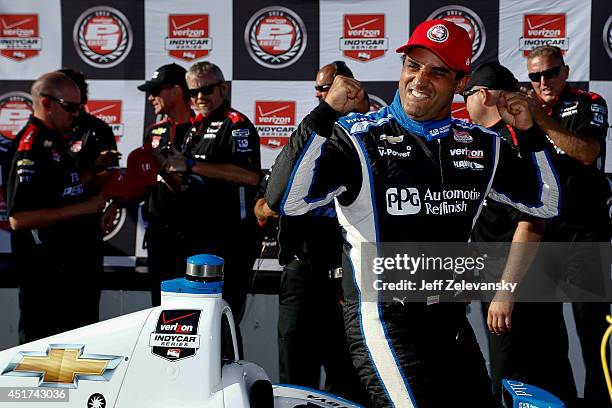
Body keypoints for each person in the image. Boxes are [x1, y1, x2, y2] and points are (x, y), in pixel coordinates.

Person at [264, 20, 559, 407]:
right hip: (385, 318)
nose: (420, 79)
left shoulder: (481, 145)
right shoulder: (359, 136)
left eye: (437, 71)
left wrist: (531, 133)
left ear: (459, 81)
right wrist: (323, 115)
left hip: (450, 319)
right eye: (413, 65)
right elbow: (284, 198)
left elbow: (545, 204)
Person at [254, 61, 368, 403]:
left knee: (345, 376)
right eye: (318, 89)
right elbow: (263, 203)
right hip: (300, 272)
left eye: (327, 87)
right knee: (294, 375)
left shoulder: (362, 138)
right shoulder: (304, 141)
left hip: (347, 275)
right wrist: (285, 202)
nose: (321, 94)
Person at [466, 61, 577, 405]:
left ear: (483, 96)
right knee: (548, 374)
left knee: (515, 382)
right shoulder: (495, 140)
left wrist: (504, 292)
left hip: (516, 285)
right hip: (519, 282)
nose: (463, 102)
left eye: (466, 94)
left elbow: (532, 223)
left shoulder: (509, 142)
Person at [526, 45, 611, 406]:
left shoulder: (589, 101)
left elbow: (587, 152)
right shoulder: (522, 112)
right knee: (544, 334)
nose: (542, 81)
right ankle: (555, 400)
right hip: (542, 234)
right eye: (534, 76)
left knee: (594, 331)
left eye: (550, 72)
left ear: (565, 70)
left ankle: (601, 401)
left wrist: (540, 120)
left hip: (585, 235)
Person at [148, 61, 261, 325]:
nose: (200, 97)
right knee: (190, 325)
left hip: (229, 239)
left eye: (207, 90)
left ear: (223, 88)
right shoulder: (193, 127)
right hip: (194, 239)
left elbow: (250, 176)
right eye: (193, 92)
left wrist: (190, 164)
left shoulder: (237, 125)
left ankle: (229, 368)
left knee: (222, 322)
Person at [7, 72, 106, 343]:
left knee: (74, 359)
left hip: (71, 271)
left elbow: (59, 191)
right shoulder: (30, 146)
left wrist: (93, 172)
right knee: (44, 362)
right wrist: (86, 208)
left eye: (80, 106)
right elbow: (19, 218)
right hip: (47, 276)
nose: (77, 113)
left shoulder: (57, 139)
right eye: (70, 106)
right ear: (47, 103)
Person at [57, 68, 120, 192]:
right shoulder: (43, 129)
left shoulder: (98, 128)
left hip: (86, 205)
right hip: (49, 206)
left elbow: (111, 173)